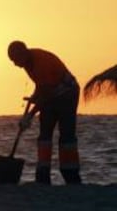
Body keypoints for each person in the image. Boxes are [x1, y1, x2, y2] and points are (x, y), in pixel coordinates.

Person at [7, 40, 82, 184]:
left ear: (22, 53)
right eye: (12, 61)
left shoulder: (41, 62)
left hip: (67, 94)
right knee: (44, 135)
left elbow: (46, 94)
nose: (15, 64)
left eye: (15, 60)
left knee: (66, 135)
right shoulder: (27, 63)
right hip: (52, 93)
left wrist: (30, 115)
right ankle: (43, 175)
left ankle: (71, 174)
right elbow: (41, 86)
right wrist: (34, 97)